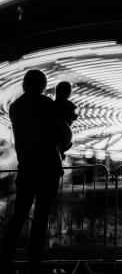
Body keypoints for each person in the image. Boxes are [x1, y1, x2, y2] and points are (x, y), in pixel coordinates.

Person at [0, 70, 72, 274]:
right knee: (41, 217)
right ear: (42, 85)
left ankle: (6, 260)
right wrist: (63, 145)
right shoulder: (45, 104)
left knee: (18, 216)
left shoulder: (14, 107)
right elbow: (65, 130)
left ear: (24, 84)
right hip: (48, 167)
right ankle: (34, 264)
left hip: (26, 168)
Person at [54, 81, 78, 160]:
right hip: (63, 133)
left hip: (54, 132)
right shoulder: (71, 105)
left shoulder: (51, 104)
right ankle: (61, 152)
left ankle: (60, 152)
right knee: (68, 143)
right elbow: (75, 116)